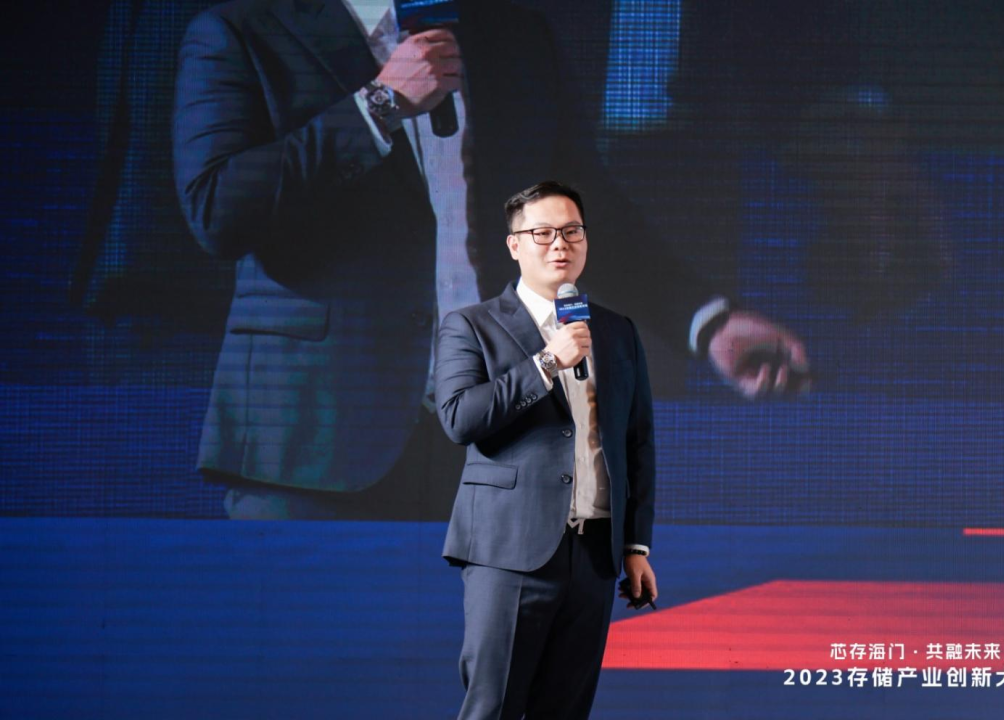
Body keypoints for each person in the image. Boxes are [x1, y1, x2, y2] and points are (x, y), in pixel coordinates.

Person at [171, 0, 809, 520]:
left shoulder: (511, 34)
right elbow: (218, 209)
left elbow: (585, 218)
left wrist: (709, 322)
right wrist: (379, 106)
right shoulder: (243, 30)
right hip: (315, 447)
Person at [436, 181, 656, 719]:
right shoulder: (472, 325)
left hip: (594, 554)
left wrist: (635, 546)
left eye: (572, 231)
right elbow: (461, 418)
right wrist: (546, 362)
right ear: (514, 245)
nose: (561, 244)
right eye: (543, 233)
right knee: (493, 706)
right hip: (509, 550)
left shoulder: (616, 331)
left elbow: (636, 441)